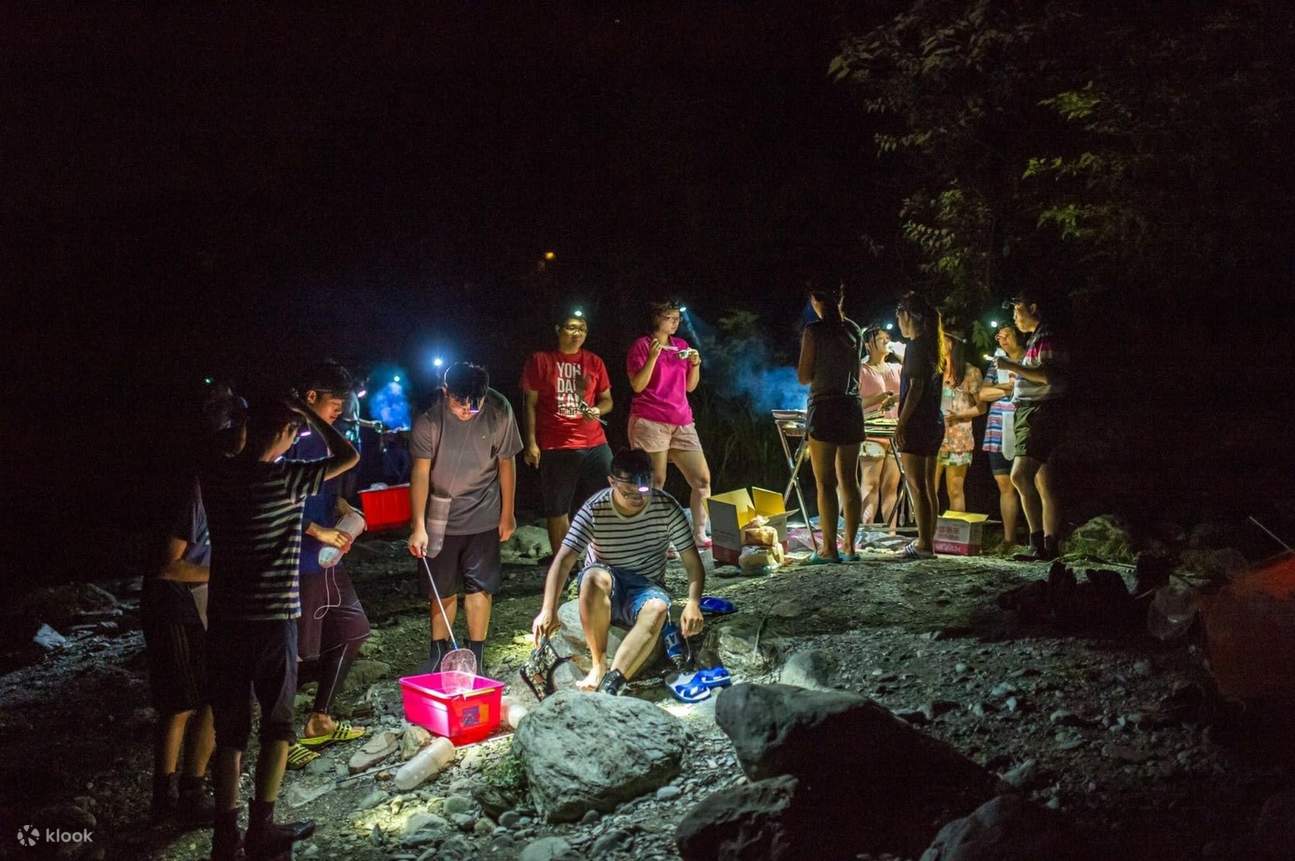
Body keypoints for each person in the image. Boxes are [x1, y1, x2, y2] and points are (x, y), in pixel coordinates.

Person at [201, 396, 359, 860]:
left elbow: (216, 446)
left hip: (225, 620)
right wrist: (307, 414)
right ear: (285, 433)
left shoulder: (219, 476)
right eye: (294, 432)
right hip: (273, 619)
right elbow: (348, 455)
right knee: (277, 724)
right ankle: (262, 826)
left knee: (230, 731)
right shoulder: (286, 478)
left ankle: (224, 834)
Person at [531, 449, 706, 695]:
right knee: (593, 577)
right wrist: (548, 609)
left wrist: (693, 602)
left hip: (646, 586)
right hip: (606, 580)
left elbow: (693, 562)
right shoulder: (596, 508)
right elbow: (563, 562)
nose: (637, 498)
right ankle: (598, 665)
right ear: (612, 482)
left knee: (658, 607)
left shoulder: (666, 507)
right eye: (628, 492)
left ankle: (613, 681)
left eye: (643, 490)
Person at [408, 362, 523, 676]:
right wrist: (418, 525)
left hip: (483, 508)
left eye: (476, 404)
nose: (468, 411)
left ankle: (476, 656)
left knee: (480, 585)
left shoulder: (499, 408)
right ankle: (439, 652)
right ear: (446, 392)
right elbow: (420, 472)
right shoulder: (429, 415)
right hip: (440, 510)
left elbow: (507, 462)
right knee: (441, 587)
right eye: (461, 403)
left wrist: (507, 513)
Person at [283, 361, 371, 770]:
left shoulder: (325, 439)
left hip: (328, 558)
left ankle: (320, 718)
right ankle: (280, 739)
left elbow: (326, 488)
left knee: (353, 629)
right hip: (298, 561)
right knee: (295, 653)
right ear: (311, 397)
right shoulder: (289, 437)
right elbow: (273, 497)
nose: (341, 410)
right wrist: (316, 530)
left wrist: (341, 508)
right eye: (336, 403)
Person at [144, 476, 216, 824]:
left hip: (204, 600)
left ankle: (192, 791)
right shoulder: (193, 495)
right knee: (180, 703)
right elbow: (167, 565)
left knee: (216, 696)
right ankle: (163, 798)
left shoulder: (229, 486)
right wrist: (224, 573)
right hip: (173, 603)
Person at [521, 312, 615, 558]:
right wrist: (531, 443)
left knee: (607, 500)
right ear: (558, 329)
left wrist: (597, 410)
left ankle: (604, 558)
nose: (577, 333)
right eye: (572, 328)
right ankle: (564, 565)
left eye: (582, 329)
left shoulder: (594, 361)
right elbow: (530, 404)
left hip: (595, 442)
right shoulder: (541, 361)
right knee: (557, 508)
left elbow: (607, 400)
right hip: (556, 444)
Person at [626, 301, 712, 549]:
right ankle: (656, 540)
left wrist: (695, 364)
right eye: (669, 317)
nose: (675, 322)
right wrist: (653, 357)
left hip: (681, 420)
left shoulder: (681, 346)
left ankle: (699, 533)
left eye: (677, 318)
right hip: (650, 420)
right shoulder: (642, 346)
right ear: (656, 318)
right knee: (656, 481)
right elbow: (638, 385)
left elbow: (690, 386)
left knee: (702, 480)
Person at [995, 287, 1069, 561]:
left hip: (1039, 412)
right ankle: (1050, 545)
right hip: (1039, 410)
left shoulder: (1046, 337)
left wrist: (1012, 366)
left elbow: (1048, 375)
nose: (1014, 316)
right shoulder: (1039, 337)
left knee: (1019, 475)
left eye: (1018, 308)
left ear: (1033, 308)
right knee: (1043, 481)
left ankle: (1036, 543)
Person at [796, 284, 865, 563]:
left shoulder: (814, 330)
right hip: (852, 408)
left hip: (825, 407)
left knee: (825, 482)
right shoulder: (854, 329)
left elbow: (804, 376)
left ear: (815, 300)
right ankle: (851, 547)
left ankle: (828, 549)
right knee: (850, 479)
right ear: (841, 298)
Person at [893, 292, 947, 560]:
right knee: (927, 486)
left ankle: (924, 544)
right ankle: (928, 541)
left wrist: (901, 423)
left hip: (917, 423)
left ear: (907, 315)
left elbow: (915, 388)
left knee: (917, 485)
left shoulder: (915, 347)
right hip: (934, 421)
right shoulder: (933, 346)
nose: (898, 322)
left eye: (898, 315)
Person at [978, 324, 1027, 551]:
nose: (1002, 340)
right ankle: (1009, 540)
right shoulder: (997, 363)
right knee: (1004, 484)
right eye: (999, 337)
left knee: (1029, 482)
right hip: (998, 429)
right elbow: (983, 393)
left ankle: (1038, 537)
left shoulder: (1029, 359)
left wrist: (1005, 388)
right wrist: (1008, 388)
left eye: (1007, 335)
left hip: (1023, 427)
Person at [857, 325, 902, 531]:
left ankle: (890, 534)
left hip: (894, 432)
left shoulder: (897, 368)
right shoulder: (861, 370)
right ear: (868, 345)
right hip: (871, 434)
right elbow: (854, 404)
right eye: (880, 338)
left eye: (887, 338)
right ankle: (866, 531)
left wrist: (902, 355)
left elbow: (913, 386)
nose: (885, 341)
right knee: (870, 484)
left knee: (891, 487)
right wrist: (879, 398)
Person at [936, 331, 984, 513]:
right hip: (934, 437)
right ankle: (928, 529)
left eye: (943, 340)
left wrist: (959, 414)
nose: (939, 344)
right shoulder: (936, 371)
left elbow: (981, 408)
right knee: (928, 488)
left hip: (959, 440)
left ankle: (955, 531)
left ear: (952, 343)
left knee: (955, 490)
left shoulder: (970, 372)